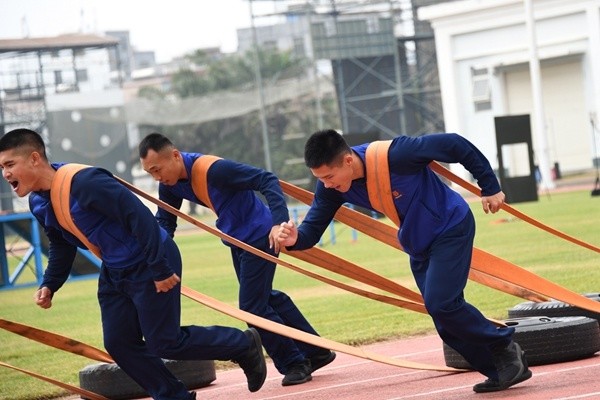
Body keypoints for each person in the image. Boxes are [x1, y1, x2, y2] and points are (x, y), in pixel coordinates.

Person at [0, 128, 267, 400]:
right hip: (115, 270)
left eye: (10, 164)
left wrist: (159, 268)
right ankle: (174, 396)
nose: (5, 174)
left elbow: (139, 218)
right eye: (2, 167)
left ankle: (242, 344)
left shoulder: (85, 182)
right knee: (119, 343)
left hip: (150, 260)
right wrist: (50, 283)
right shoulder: (38, 202)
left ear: (34, 159)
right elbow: (61, 244)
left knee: (165, 342)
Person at [276, 129, 533, 393]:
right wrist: (295, 239)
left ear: (348, 161)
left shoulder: (398, 155)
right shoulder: (331, 188)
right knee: (443, 321)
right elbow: (311, 231)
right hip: (417, 241)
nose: (326, 185)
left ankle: (504, 346)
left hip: (450, 226)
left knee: (441, 303)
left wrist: (489, 186)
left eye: (329, 176)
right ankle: (502, 369)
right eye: (320, 179)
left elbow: (454, 144)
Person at [138, 133, 336, 387]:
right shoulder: (169, 184)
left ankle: (295, 362)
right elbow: (166, 221)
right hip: (237, 240)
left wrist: (278, 223)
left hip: (261, 236)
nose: (156, 177)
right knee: (266, 298)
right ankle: (316, 350)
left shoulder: (215, 170)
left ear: (175, 156)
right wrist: (153, 254)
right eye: (150, 173)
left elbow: (266, 179)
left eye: (157, 169)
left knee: (252, 306)